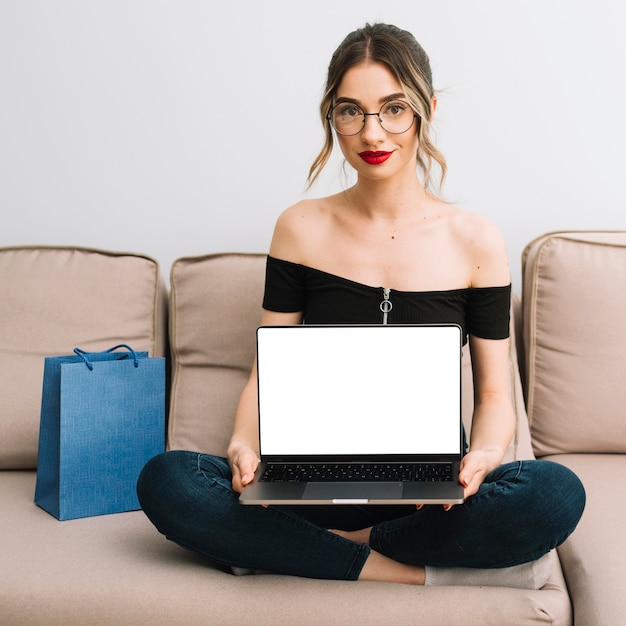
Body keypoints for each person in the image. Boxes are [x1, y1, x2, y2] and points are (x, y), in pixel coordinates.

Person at [137, 22, 585, 587]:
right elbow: (266, 371)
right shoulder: (300, 227)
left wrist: (484, 457)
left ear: (425, 109)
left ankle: (303, 552)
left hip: (426, 494)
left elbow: (496, 393)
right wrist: (243, 444)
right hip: (306, 480)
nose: (373, 133)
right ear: (332, 116)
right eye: (351, 111)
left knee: (554, 494)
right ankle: (404, 572)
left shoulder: (475, 241)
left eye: (393, 108)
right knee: (167, 479)